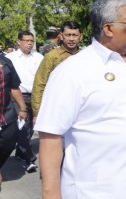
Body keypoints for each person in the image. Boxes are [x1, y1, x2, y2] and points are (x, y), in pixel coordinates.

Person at [34, 0, 126, 198]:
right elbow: (50, 136)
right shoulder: (73, 71)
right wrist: (51, 194)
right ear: (108, 29)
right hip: (99, 190)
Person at [6, 31, 43, 173]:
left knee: (31, 126)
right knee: (22, 126)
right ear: (18, 42)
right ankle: (29, 160)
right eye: (26, 40)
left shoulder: (39, 57)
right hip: (17, 96)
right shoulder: (10, 58)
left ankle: (21, 153)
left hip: (35, 96)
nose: (29, 43)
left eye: (32, 41)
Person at [31, 21, 82, 120]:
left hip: (81, 109)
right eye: (68, 35)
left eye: (75, 35)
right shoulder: (52, 56)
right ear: (61, 36)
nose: (71, 39)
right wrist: (37, 112)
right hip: (57, 108)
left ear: (80, 37)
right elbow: (39, 83)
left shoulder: (86, 56)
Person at [0, 55, 28, 191]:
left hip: (6, 115)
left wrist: (22, 108)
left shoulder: (5, 61)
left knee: (9, 141)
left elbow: (14, 86)